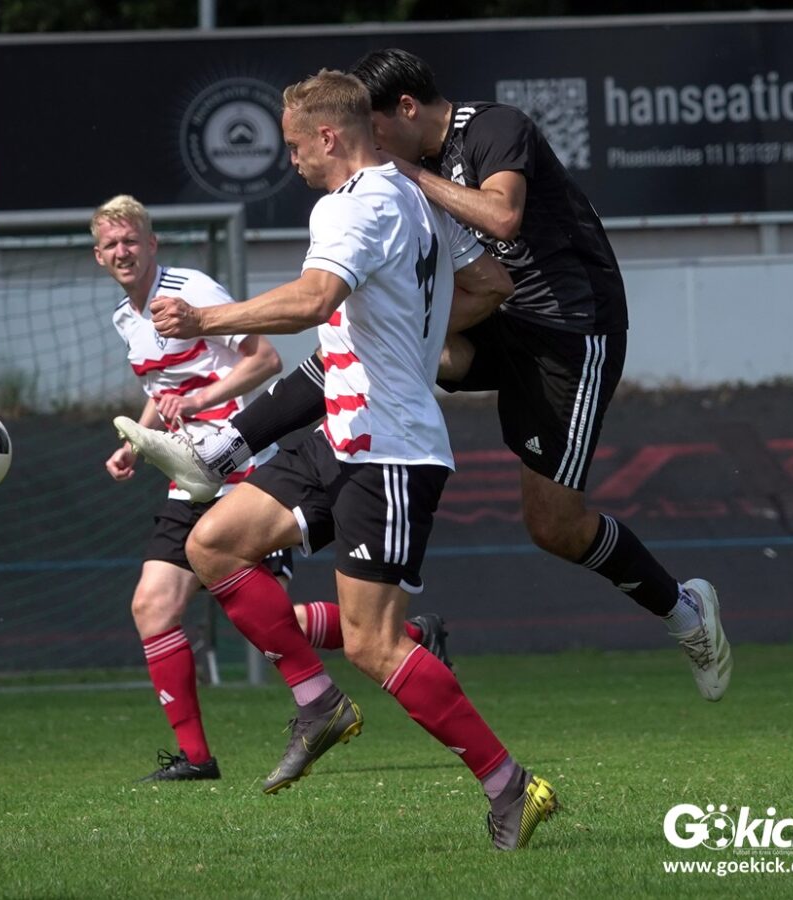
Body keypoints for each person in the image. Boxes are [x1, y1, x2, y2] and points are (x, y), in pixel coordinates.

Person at [129, 48, 733, 704]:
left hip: (568, 333)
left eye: (377, 131)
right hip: (494, 317)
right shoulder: (385, 187)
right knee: (361, 346)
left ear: (407, 109)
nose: (371, 145)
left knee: (554, 525)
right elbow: (486, 281)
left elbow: (502, 217)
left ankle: (682, 609)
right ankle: (225, 450)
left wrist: (406, 174)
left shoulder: (493, 128)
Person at [116, 69, 557, 851]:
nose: (290, 161)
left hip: (390, 450)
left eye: (294, 146)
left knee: (374, 644)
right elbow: (488, 280)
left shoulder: (353, 204)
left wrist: (204, 320)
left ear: (327, 137)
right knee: (212, 544)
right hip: (342, 436)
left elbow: (312, 301)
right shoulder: (415, 195)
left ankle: (510, 787)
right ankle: (317, 703)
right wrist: (238, 436)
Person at [98, 195, 454, 782]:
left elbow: (263, 359)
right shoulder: (124, 319)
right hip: (187, 477)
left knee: (264, 617)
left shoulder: (191, 290)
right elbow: (166, 392)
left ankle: (403, 641)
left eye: (131, 240)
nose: (122, 251)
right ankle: (196, 758)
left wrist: (203, 401)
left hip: (240, 466)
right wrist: (137, 441)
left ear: (152, 243)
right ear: (98, 255)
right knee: (152, 606)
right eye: (111, 244)